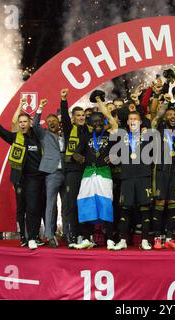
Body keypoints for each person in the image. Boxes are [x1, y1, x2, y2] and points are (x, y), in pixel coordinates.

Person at [0, 107, 44, 250]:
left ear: (30, 123)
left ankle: (32, 237)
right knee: (21, 209)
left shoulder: (37, 137)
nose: (23, 124)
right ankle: (23, 237)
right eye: (20, 122)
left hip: (35, 178)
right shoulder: (15, 137)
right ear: (18, 124)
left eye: (25, 121)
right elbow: (0, 131)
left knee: (32, 207)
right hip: (19, 179)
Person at [72, 94, 118, 250]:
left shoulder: (110, 134)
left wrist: (114, 156)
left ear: (104, 122)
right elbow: (75, 153)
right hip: (88, 173)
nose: (97, 123)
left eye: (100, 121)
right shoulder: (86, 136)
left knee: (106, 205)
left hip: (104, 173)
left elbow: (120, 152)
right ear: (90, 124)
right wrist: (79, 158)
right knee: (86, 204)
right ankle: (86, 237)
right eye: (94, 122)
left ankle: (110, 239)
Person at [114, 111, 154, 250]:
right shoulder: (122, 136)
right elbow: (110, 119)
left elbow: (157, 117)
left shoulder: (148, 135)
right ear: (127, 122)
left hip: (144, 176)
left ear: (141, 122)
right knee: (125, 209)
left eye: (136, 119)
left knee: (145, 209)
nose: (133, 121)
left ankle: (144, 240)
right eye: (131, 119)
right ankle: (123, 240)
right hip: (127, 177)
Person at [33, 99, 67, 248]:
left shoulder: (65, 135)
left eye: (54, 120)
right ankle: (49, 234)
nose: (52, 122)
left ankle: (67, 233)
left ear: (58, 122)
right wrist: (40, 108)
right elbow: (34, 125)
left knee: (67, 205)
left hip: (65, 172)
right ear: (46, 124)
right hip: (52, 173)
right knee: (50, 205)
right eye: (49, 121)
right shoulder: (43, 134)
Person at [151, 104, 175, 249]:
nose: (172, 117)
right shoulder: (159, 129)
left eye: (174, 115)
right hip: (160, 171)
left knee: (173, 204)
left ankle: (169, 237)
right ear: (164, 117)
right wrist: (164, 104)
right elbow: (156, 117)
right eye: (169, 114)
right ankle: (157, 237)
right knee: (159, 203)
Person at [60, 88, 88, 248]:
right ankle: (72, 234)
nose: (81, 117)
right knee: (71, 204)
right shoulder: (70, 129)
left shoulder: (89, 130)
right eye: (78, 115)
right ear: (73, 118)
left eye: (83, 115)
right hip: (72, 172)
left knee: (84, 203)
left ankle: (85, 235)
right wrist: (63, 100)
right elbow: (64, 118)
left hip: (87, 172)